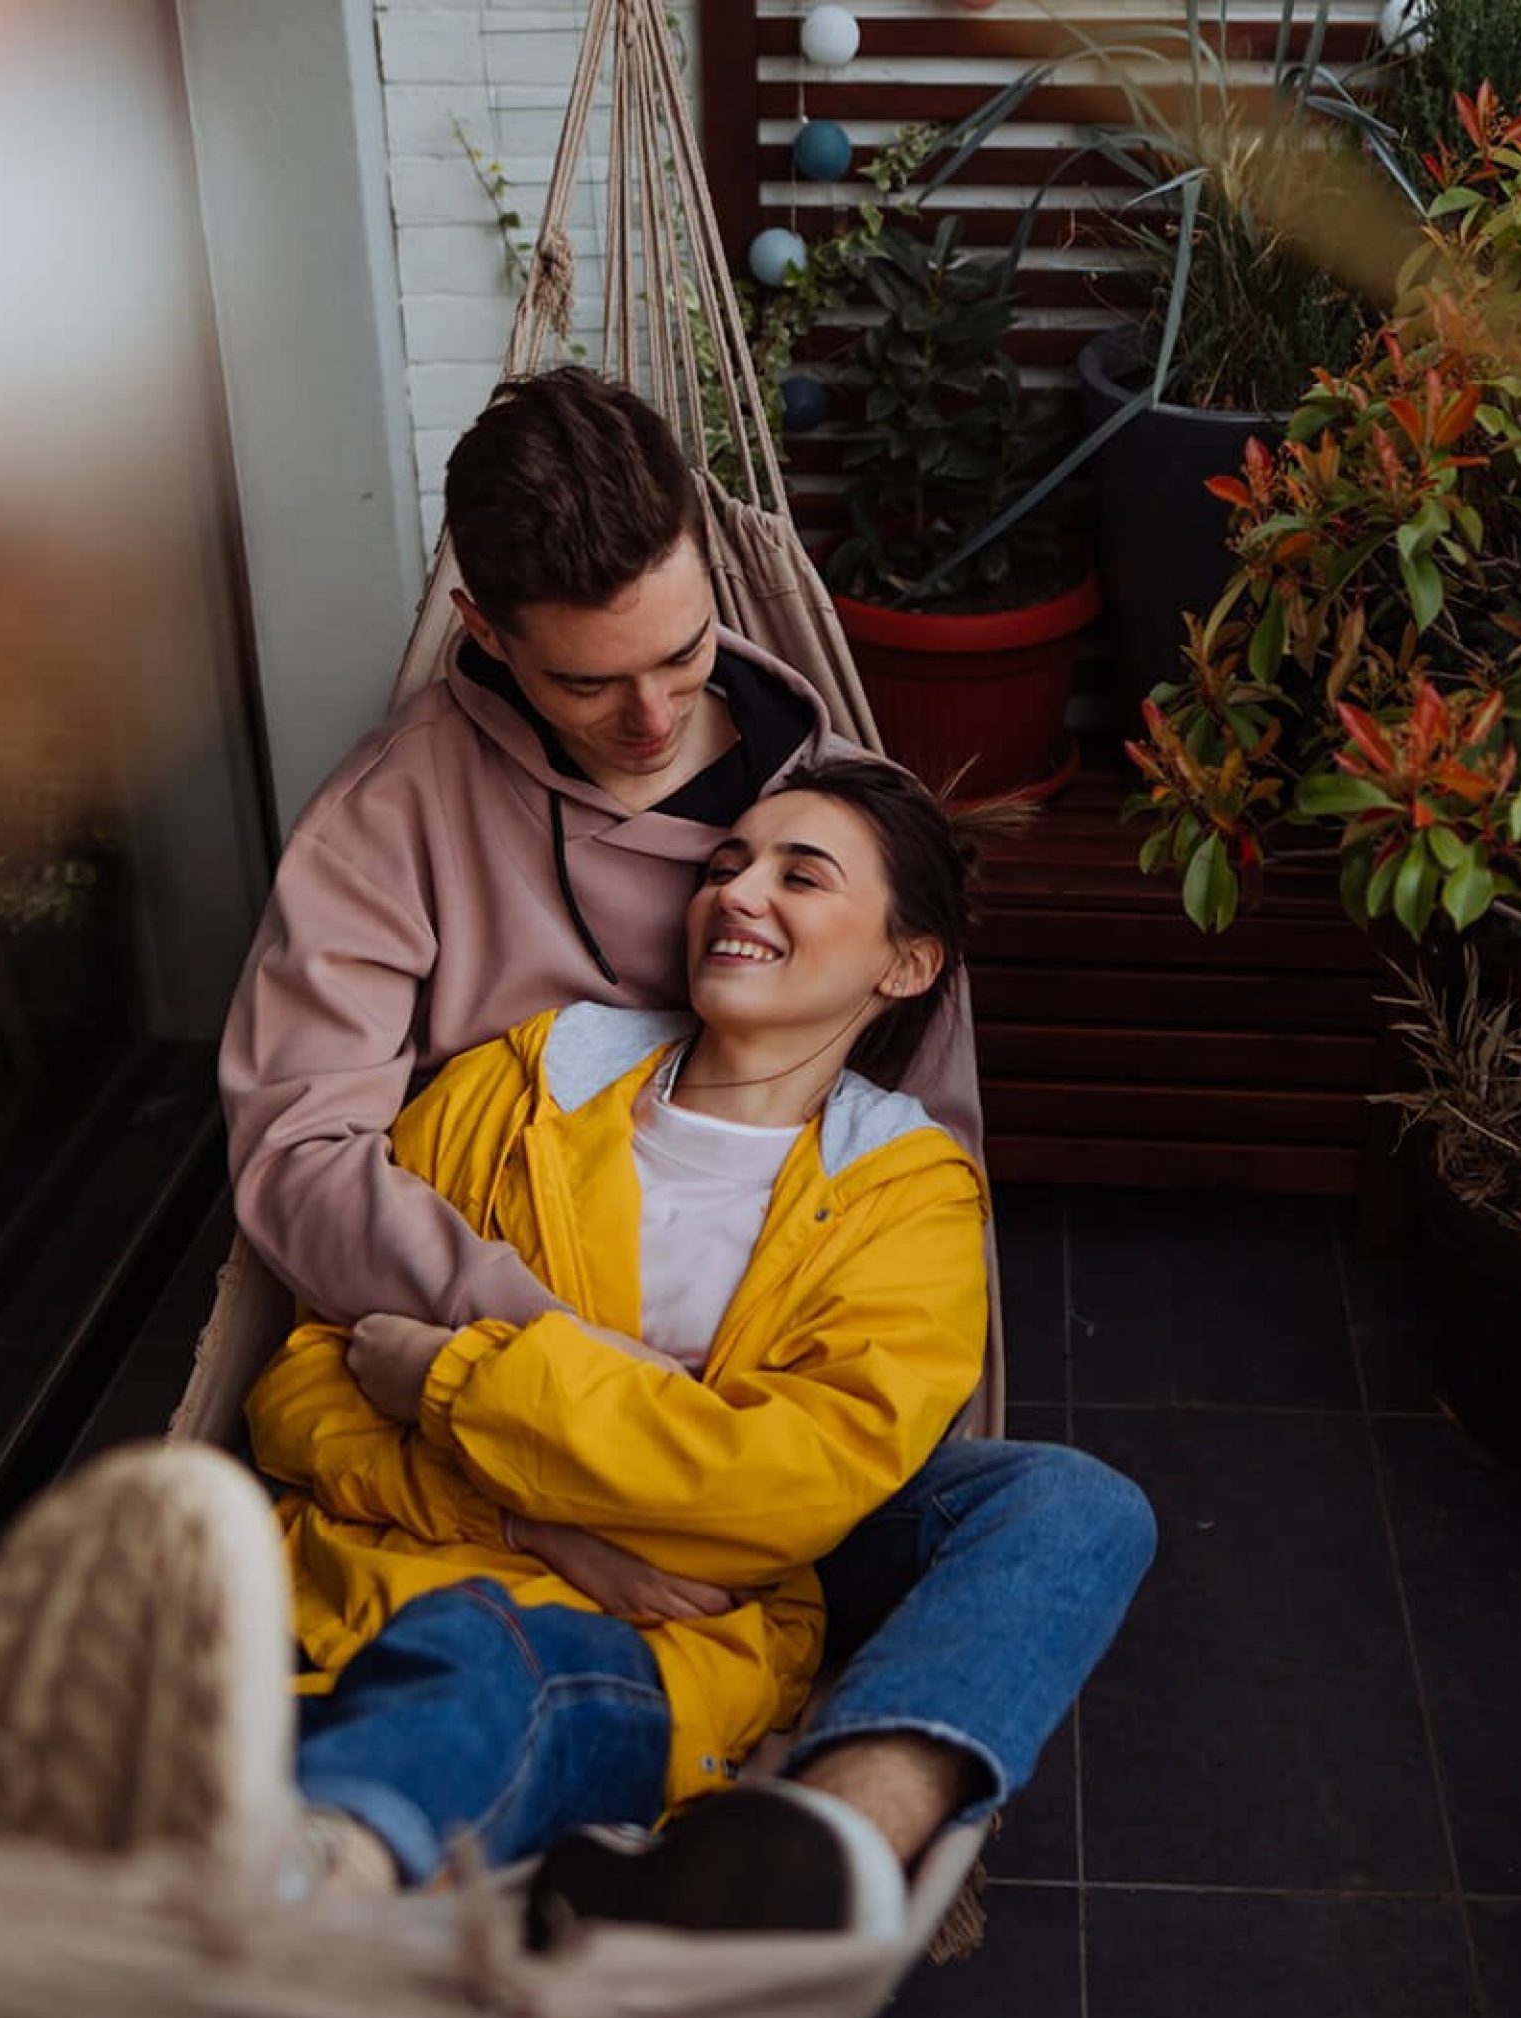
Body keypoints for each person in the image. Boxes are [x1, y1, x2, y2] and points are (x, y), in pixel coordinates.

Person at [219, 368, 1149, 1928]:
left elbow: (927, 1172)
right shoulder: (479, 1025)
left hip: (754, 1490)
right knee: (490, 1663)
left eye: (681, 652)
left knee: (1070, 1508)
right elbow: (305, 1186)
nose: (654, 720)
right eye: (589, 685)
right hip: (502, 1427)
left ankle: (835, 1830)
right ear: (489, 630)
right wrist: (546, 1422)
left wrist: (797, 1437)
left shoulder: (848, 832)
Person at [257, 765, 985, 1927]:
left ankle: (292, 1916)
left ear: (905, 964)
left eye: (801, 876)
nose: (739, 893)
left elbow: (786, 1494)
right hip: (338, 1598)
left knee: (481, 1651)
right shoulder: (524, 1086)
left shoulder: (903, 1198)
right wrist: (527, 1521)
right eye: (725, 866)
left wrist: (452, 1378)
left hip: (631, 1658)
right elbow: (299, 1390)